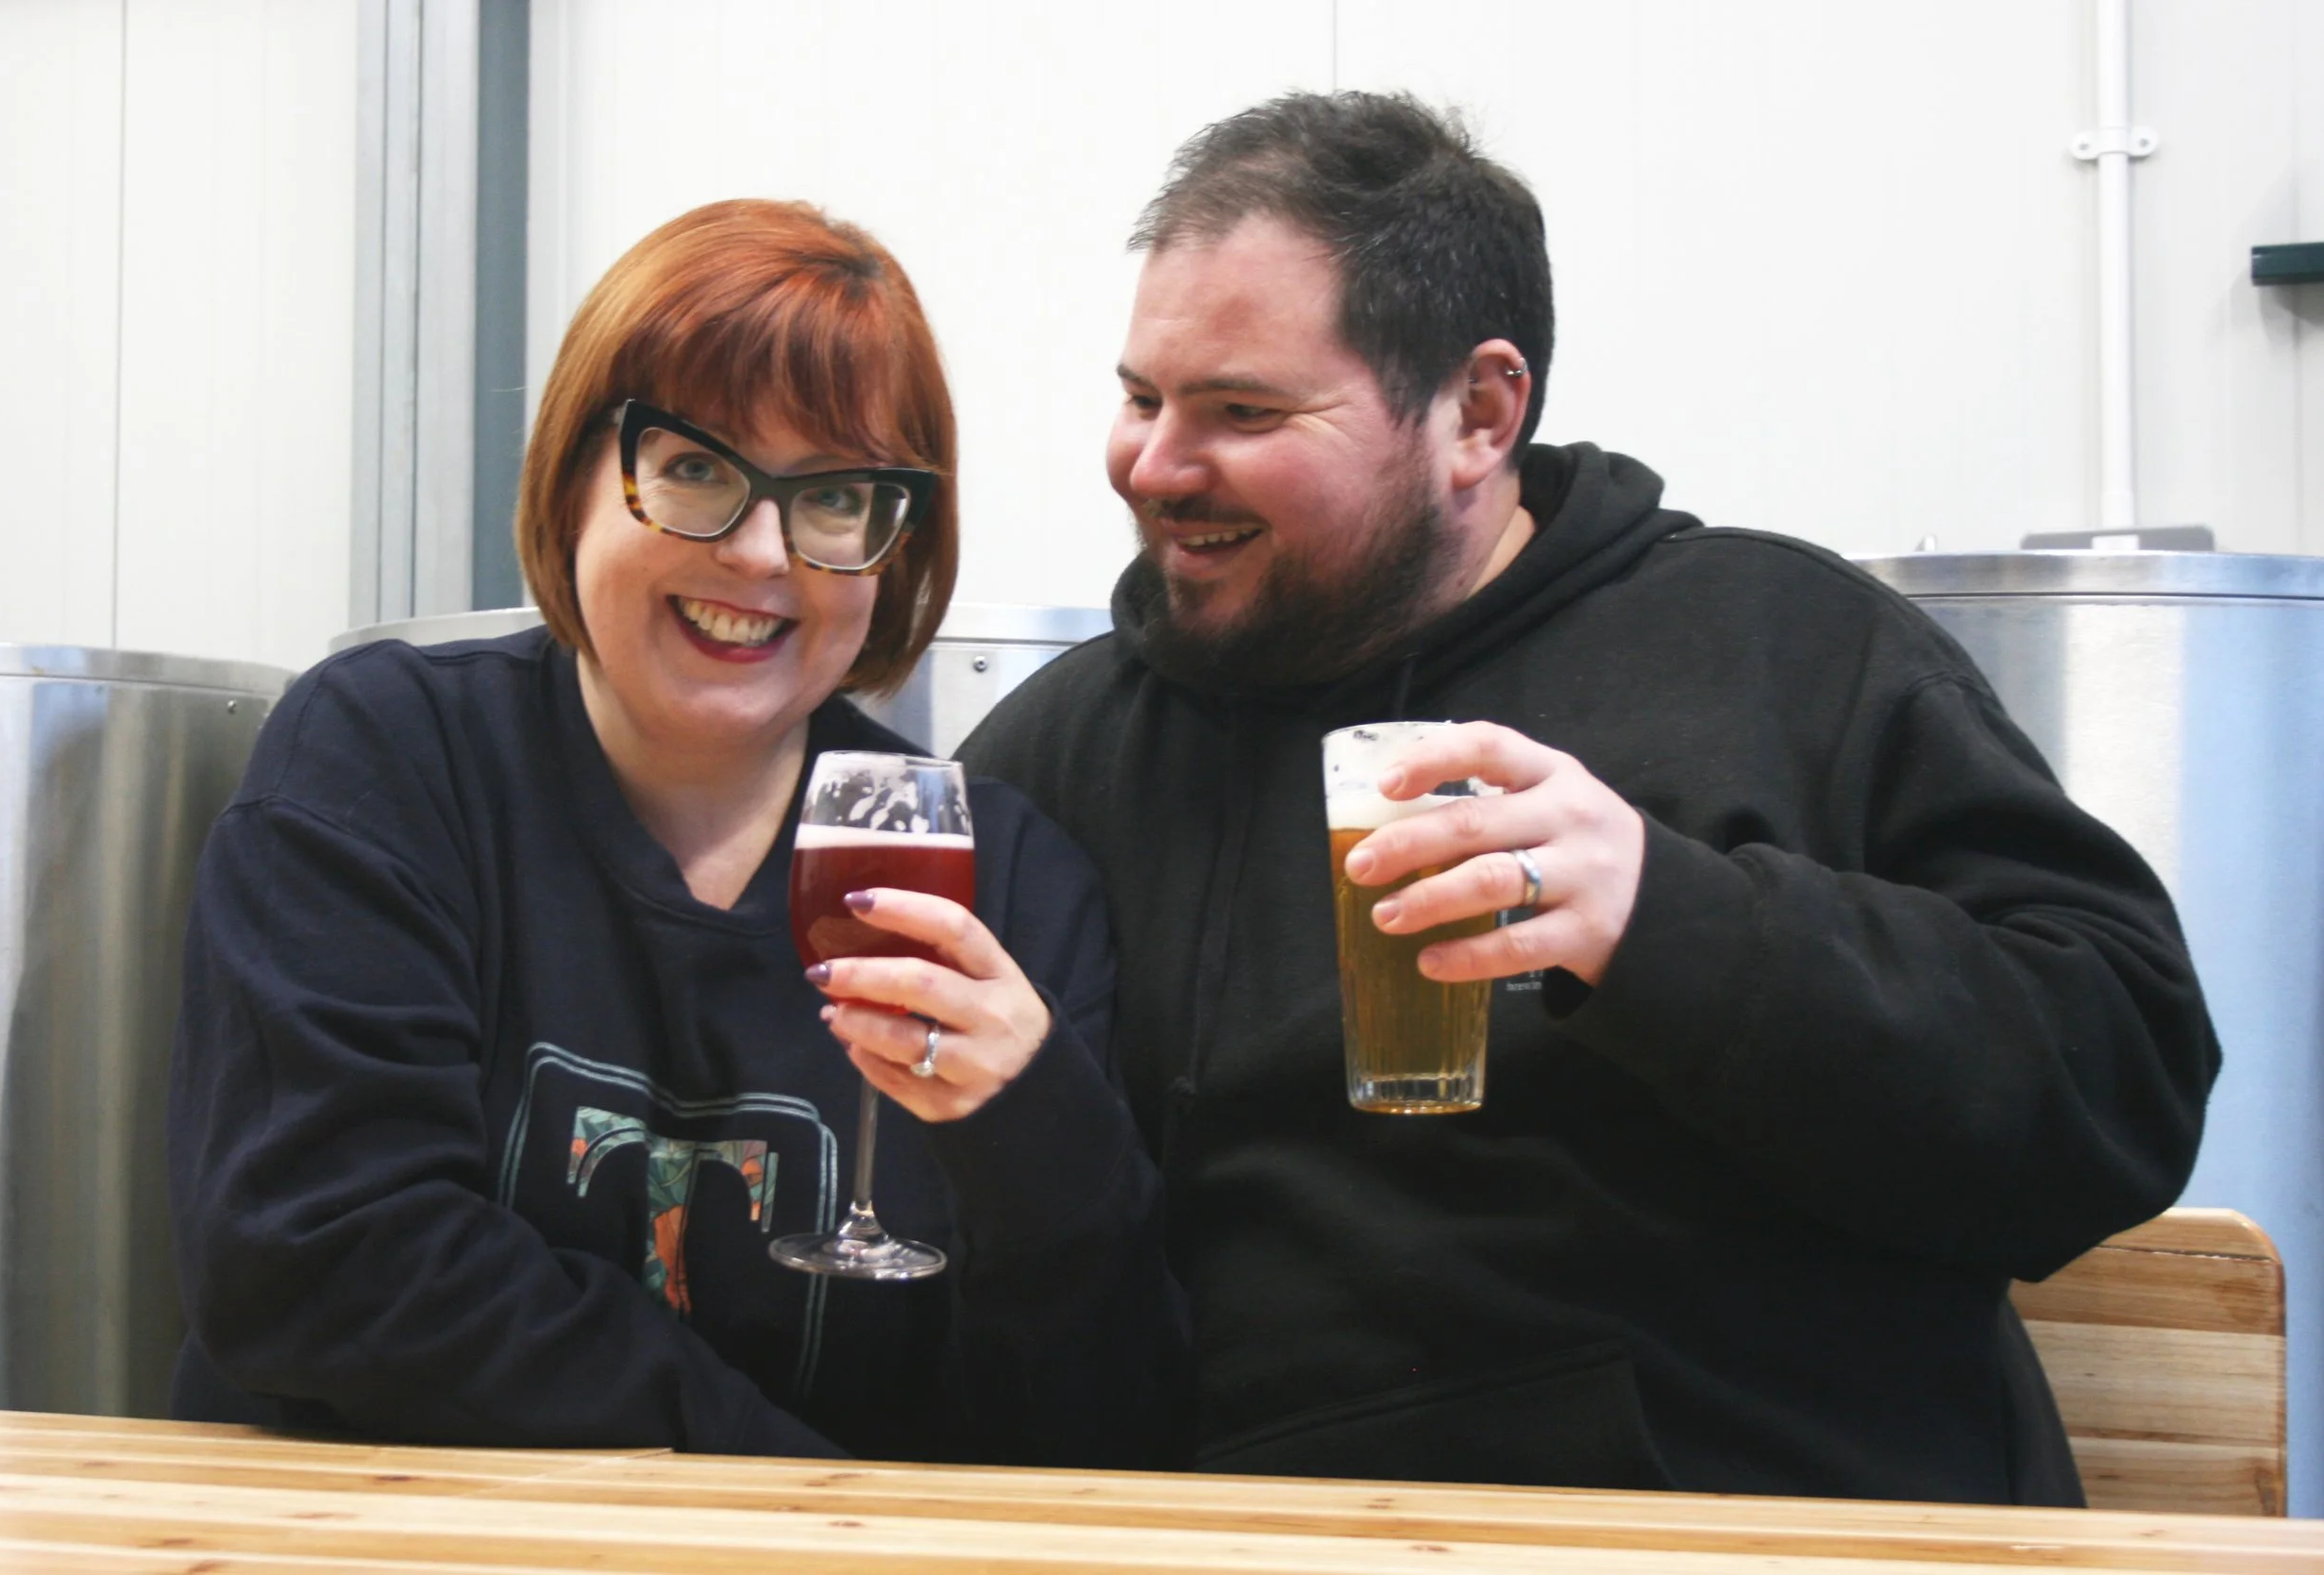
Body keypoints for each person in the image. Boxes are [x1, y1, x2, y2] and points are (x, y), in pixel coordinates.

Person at [959, 92, 2217, 1503]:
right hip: (1264, 1529)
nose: (1155, 465)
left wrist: (1665, 917)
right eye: (1142, 398)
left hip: (1770, 1526)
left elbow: (2122, 1091)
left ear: (1480, 413)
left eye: (1242, 412)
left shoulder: (1778, 648)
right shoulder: (1065, 753)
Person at [167, 199, 1187, 1466]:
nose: (763, 553)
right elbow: (317, 1257)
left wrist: (1039, 1140)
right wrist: (768, 1492)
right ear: (576, 477)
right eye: (696, 468)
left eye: (834, 498)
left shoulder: (1009, 879)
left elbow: (1098, 1432)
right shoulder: (388, 757)